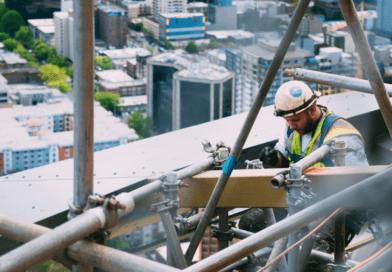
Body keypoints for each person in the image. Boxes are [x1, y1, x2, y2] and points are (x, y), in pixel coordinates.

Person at [259, 80, 369, 168]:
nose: (291, 126)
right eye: (287, 120)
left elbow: (358, 182)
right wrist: (273, 159)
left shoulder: (342, 135)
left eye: (296, 120)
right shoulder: (291, 126)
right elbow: (283, 161)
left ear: (311, 110)